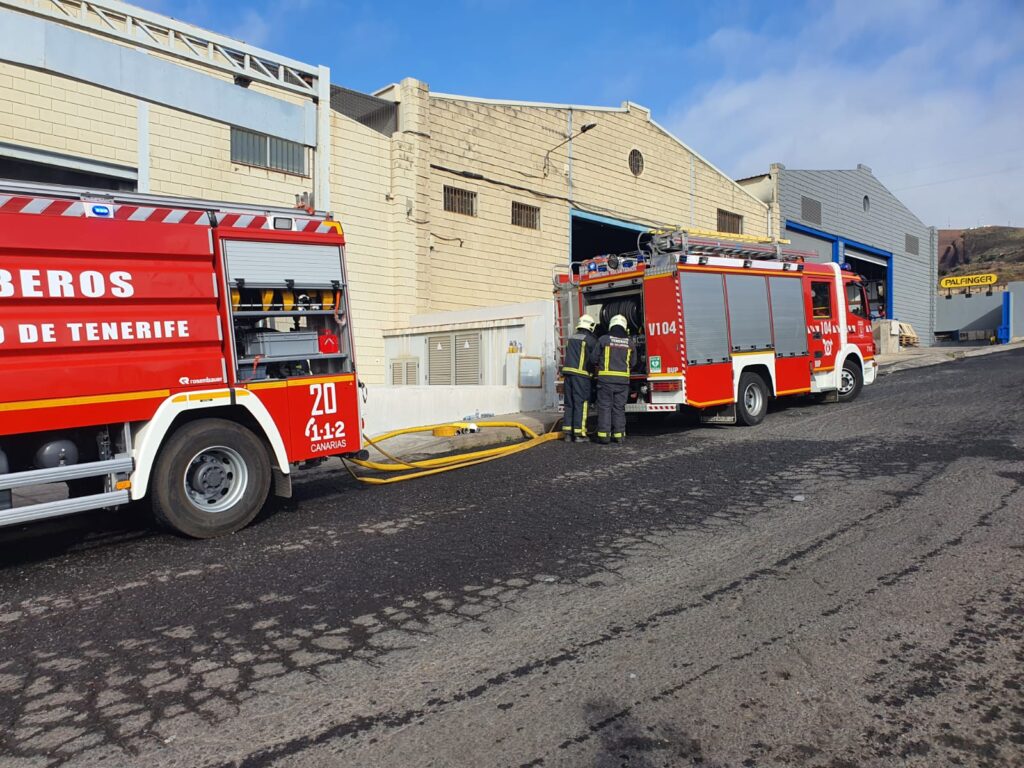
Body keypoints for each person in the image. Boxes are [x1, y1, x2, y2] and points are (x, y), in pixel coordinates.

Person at [590, 314, 634, 444]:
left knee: (605, 407)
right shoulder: (630, 343)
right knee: (618, 408)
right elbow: (633, 362)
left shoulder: (604, 339)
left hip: (606, 382)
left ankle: (604, 436)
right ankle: (619, 435)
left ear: (611, 325)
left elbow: (593, 359)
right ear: (624, 326)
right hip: (623, 382)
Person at [561, 314, 598, 442]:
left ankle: (567, 433)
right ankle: (579, 434)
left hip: (568, 375)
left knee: (569, 403)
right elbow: (595, 358)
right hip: (581, 376)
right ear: (590, 325)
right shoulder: (591, 340)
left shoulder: (570, 338)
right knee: (581, 404)